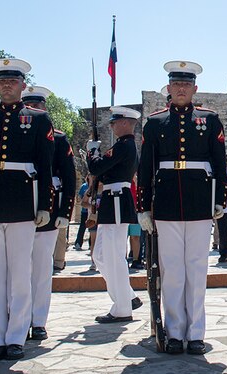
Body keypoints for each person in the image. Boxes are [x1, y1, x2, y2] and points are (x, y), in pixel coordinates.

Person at [0, 57, 54, 361]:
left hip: (21, 203)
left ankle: (16, 336)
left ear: (22, 85)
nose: (7, 86)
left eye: (12, 81)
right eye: (2, 81)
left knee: (19, 273)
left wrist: (44, 204)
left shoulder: (38, 120)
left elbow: (45, 165)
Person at [137, 61, 227, 355]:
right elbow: (146, 166)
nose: (181, 89)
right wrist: (143, 207)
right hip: (165, 202)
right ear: (169, 88)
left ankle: (196, 332)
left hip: (200, 200)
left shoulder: (209, 120)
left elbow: (218, 163)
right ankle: (174, 332)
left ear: (194, 88)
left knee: (197, 268)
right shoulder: (155, 122)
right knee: (172, 269)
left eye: (186, 85)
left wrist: (219, 200)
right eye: (176, 84)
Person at [21, 86, 76, 338]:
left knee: (42, 267)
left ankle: (38, 318)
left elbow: (68, 177)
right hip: (16, 205)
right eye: (28, 105)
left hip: (49, 208)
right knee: (15, 266)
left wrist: (65, 211)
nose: (32, 110)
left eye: (37, 106)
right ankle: (15, 314)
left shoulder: (59, 138)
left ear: (44, 109)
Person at [88, 107, 142, 323]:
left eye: (114, 122)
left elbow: (96, 167)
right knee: (100, 256)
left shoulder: (124, 146)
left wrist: (93, 152)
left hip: (118, 201)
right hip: (112, 201)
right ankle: (128, 296)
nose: (111, 126)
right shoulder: (122, 147)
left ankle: (122, 308)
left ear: (125, 123)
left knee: (115, 256)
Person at [75, 177, 90, 250]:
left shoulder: (96, 185)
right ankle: (78, 243)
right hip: (84, 211)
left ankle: (91, 244)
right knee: (82, 227)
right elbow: (80, 197)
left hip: (92, 211)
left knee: (92, 228)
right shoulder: (84, 186)